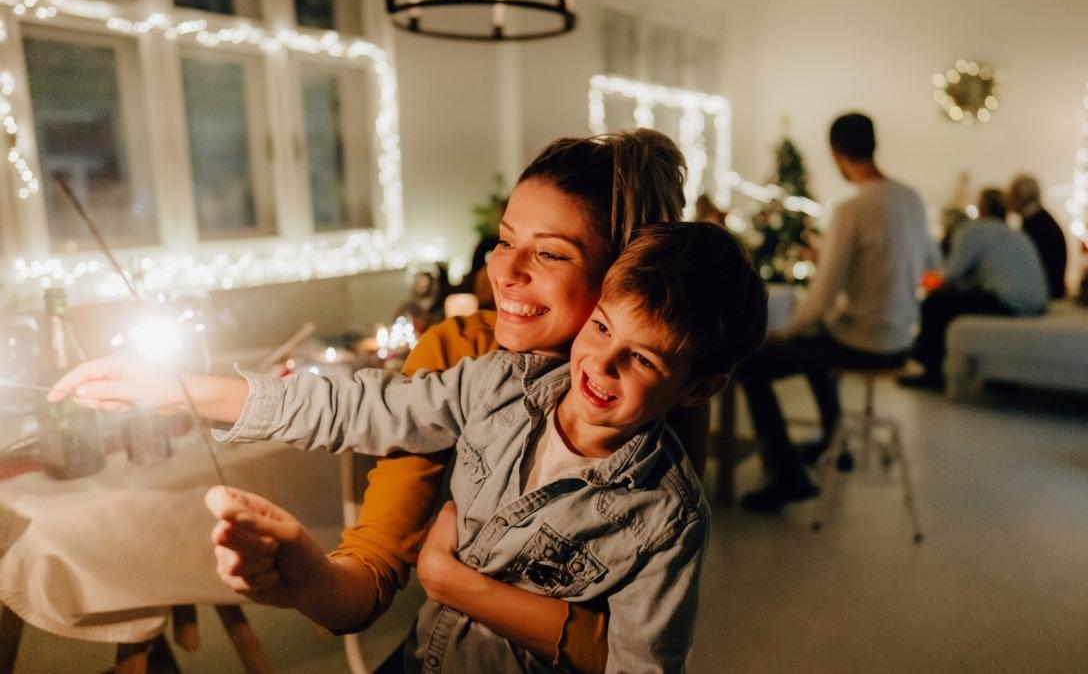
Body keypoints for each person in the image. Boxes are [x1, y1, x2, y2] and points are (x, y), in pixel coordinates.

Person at [52, 129, 708, 673]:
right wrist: (186, 391)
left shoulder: (651, 410)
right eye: (505, 240)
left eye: (552, 255)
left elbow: (635, 646)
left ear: (623, 279)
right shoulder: (479, 367)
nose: (502, 273)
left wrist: (460, 584)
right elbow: (359, 413)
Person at [739, 112, 937, 514]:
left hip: (863, 341)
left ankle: (786, 475)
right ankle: (835, 441)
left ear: (836, 153)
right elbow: (930, 263)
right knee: (820, 342)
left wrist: (785, 332)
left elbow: (822, 297)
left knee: (754, 365)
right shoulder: (910, 198)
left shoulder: (852, 208)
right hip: (900, 338)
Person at [902, 188, 1050, 390]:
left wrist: (926, 279)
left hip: (1007, 301)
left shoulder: (974, 231)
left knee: (934, 302)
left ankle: (930, 372)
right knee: (954, 300)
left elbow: (951, 273)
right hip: (1037, 304)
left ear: (982, 207)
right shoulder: (1015, 234)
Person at [1006, 174, 1067, 299]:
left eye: (1011, 194)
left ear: (1019, 197)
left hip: (1047, 290)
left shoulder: (1035, 225)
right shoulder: (1040, 219)